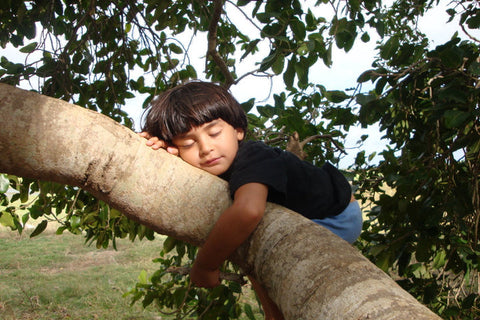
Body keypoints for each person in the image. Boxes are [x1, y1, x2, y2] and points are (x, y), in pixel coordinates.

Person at [140, 81, 362, 320]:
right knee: (251, 248)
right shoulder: (218, 163)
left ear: (238, 130)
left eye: (214, 133)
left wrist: (205, 265)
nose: (206, 148)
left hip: (336, 216)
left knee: (254, 244)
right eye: (188, 143)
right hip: (311, 211)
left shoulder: (253, 155)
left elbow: (248, 211)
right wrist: (164, 149)